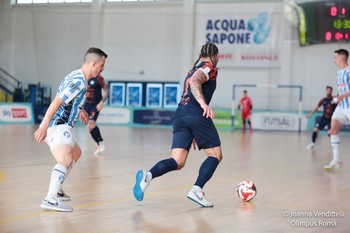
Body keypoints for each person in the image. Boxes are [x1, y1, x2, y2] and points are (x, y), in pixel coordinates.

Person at [133, 43, 223, 207]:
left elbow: (192, 83)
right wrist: (203, 105)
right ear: (215, 55)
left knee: (178, 161)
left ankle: (147, 176)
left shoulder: (192, 69)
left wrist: (194, 129)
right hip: (195, 113)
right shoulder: (210, 67)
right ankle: (197, 189)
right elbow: (196, 82)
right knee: (215, 155)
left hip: (180, 114)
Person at [34, 47, 108, 211]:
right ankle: (50, 198)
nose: (103, 69)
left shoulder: (76, 75)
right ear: (94, 63)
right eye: (102, 65)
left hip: (60, 124)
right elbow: (57, 102)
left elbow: (68, 99)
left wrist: (79, 110)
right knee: (66, 159)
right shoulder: (79, 81)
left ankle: (57, 190)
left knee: (76, 153)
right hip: (57, 125)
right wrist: (44, 126)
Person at [325, 48, 350, 170]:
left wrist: (341, 96)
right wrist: (338, 97)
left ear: (342, 57)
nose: (334, 59)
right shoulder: (339, 73)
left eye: (335, 57)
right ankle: (336, 160)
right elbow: (343, 90)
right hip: (341, 107)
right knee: (333, 131)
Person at [84, 74, 109, 155]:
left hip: (95, 105)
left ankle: (101, 144)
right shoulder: (84, 77)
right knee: (90, 128)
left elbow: (107, 92)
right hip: (86, 105)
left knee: (91, 124)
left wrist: (101, 102)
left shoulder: (100, 79)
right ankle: (99, 144)